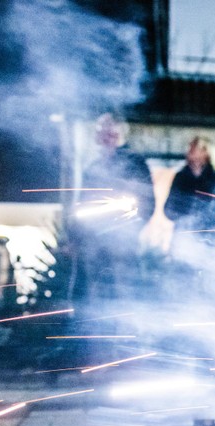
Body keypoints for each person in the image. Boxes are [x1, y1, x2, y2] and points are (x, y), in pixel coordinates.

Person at [73, 112, 156, 301]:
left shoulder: (134, 163)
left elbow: (147, 202)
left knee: (123, 293)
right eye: (100, 129)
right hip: (93, 243)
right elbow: (82, 205)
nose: (101, 133)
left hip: (122, 244)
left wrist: (128, 230)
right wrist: (78, 236)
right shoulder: (93, 167)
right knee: (95, 294)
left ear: (118, 132)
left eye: (107, 128)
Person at [164, 136, 215, 234]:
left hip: (208, 234)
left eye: (195, 147)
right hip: (182, 232)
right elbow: (169, 207)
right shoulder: (181, 177)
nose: (190, 150)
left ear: (206, 152)